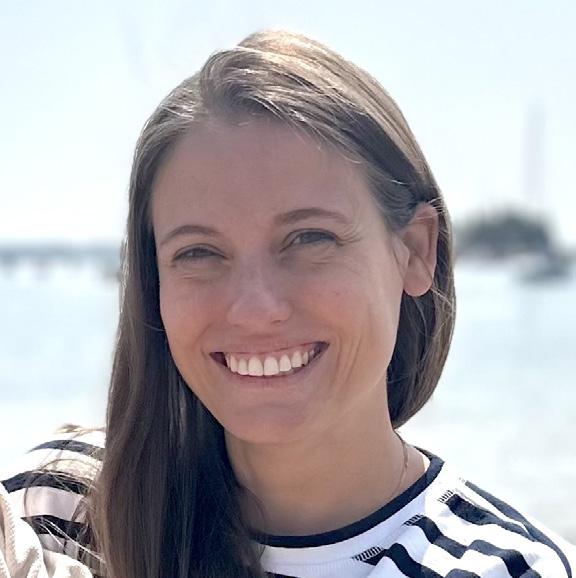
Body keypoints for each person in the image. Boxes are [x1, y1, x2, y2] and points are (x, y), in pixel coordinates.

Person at [2, 30, 575, 578]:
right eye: (199, 252)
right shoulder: (61, 513)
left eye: (309, 239)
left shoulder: (507, 569)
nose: (256, 308)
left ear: (416, 251)